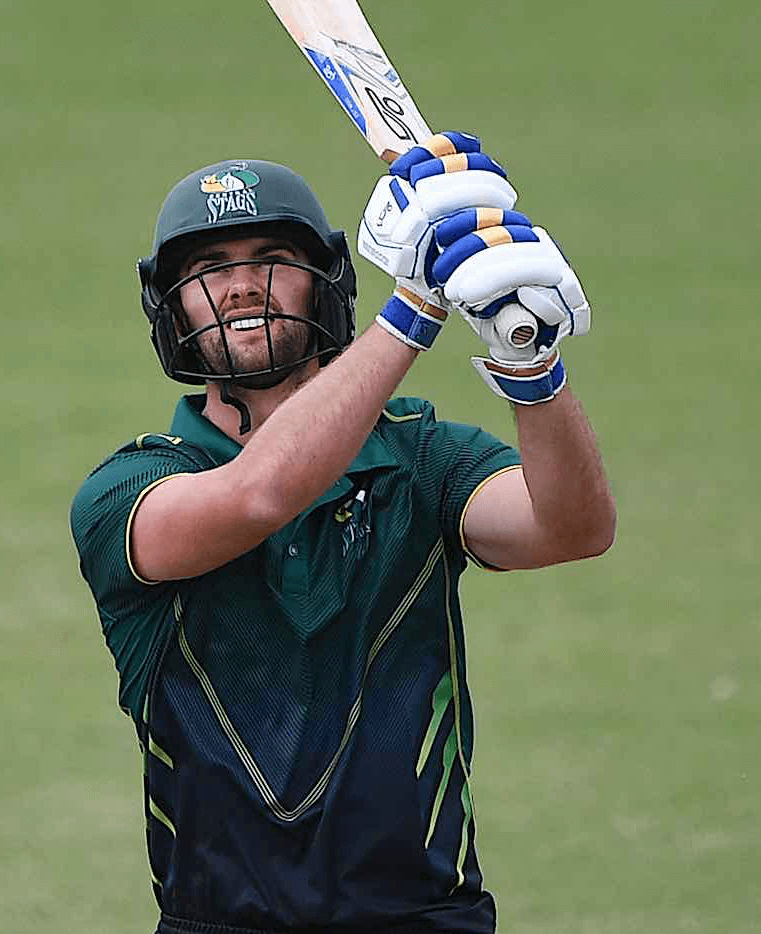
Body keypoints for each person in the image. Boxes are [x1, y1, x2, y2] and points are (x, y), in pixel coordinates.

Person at [69, 132, 615, 934]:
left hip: (426, 919)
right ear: (171, 301)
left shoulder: (426, 458)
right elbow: (257, 497)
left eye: (271, 259)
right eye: (209, 269)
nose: (241, 286)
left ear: (322, 280)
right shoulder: (129, 490)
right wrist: (419, 306)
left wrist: (528, 366)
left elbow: (569, 529)